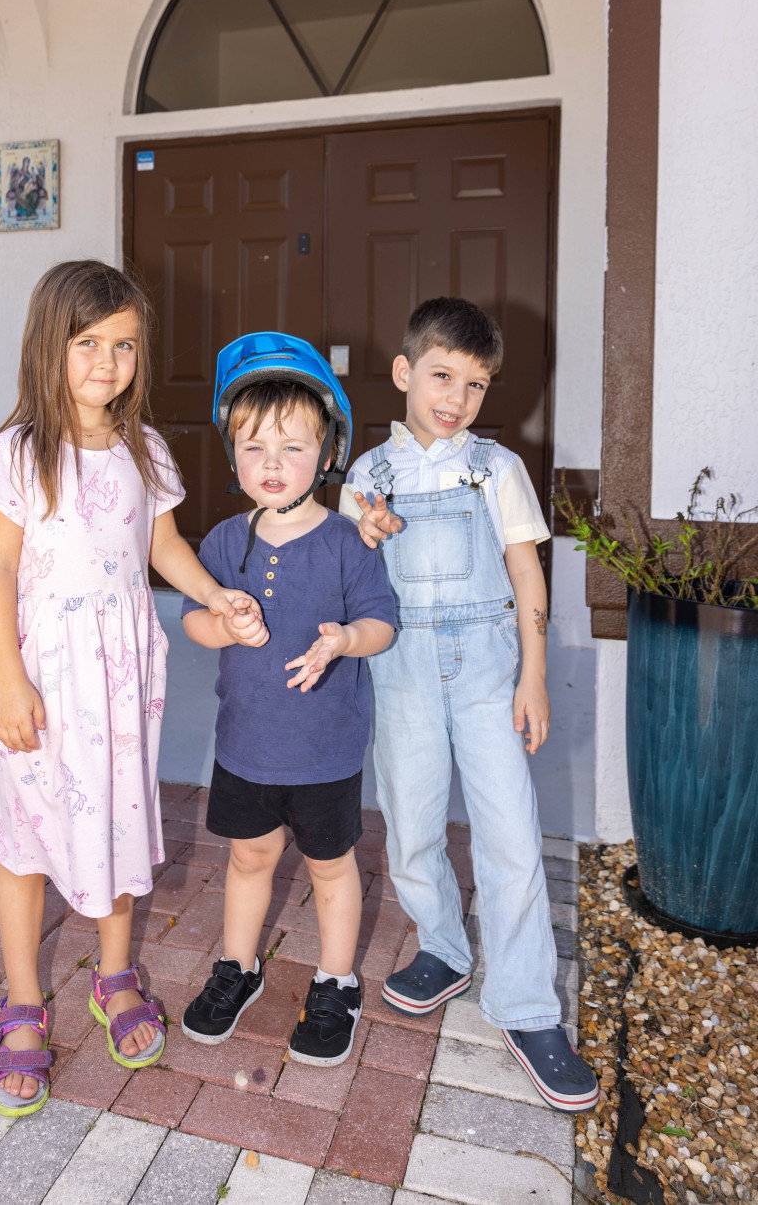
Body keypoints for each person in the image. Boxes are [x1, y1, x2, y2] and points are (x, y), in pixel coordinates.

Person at [0, 260, 264, 1115]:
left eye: (125, 345)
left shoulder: (146, 449)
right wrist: (7, 679)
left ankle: (113, 972)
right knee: (27, 838)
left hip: (123, 678)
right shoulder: (17, 452)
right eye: (88, 342)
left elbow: (162, 546)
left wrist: (214, 593)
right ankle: (24, 999)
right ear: (48, 345)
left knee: (120, 819)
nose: (108, 361)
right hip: (45, 679)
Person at [344, 296, 599, 1113]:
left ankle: (526, 1006)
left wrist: (534, 674)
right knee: (412, 824)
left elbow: (527, 572)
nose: (456, 397)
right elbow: (351, 570)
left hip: (489, 667)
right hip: (403, 671)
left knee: (510, 832)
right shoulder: (367, 475)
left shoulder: (497, 467)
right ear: (404, 372)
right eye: (442, 375)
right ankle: (444, 947)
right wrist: (364, 532)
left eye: (476, 383)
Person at [179, 334, 396, 1066]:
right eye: (254, 447)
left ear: (328, 452)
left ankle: (336, 982)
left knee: (332, 865)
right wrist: (222, 624)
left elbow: (382, 624)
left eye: (292, 447)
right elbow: (194, 620)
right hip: (246, 744)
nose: (272, 463)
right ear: (233, 456)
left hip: (325, 749)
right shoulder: (222, 541)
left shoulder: (348, 542)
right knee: (249, 858)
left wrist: (344, 639)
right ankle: (238, 966)